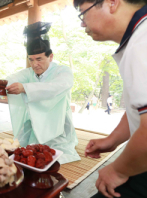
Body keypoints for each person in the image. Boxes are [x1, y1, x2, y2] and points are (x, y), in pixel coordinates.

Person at [74, 0, 147, 197]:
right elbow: (139, 108)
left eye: (83, 13)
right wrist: (112, 139)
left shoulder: (142, 42)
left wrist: (118, 170)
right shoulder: (138, 37)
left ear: (112, 3)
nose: (82, 23)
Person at [3, 22, 80, 164]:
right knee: (25, 149)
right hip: (35, 124)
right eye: (31, 60)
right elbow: (13, 78)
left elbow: (55, 87)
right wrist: (1, 83)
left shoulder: (62, 71)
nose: (34, 64)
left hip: (58, 124)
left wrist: (25, 88)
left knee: (52, 155)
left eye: (39, 59)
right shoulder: (29, 73)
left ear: (51, 57)